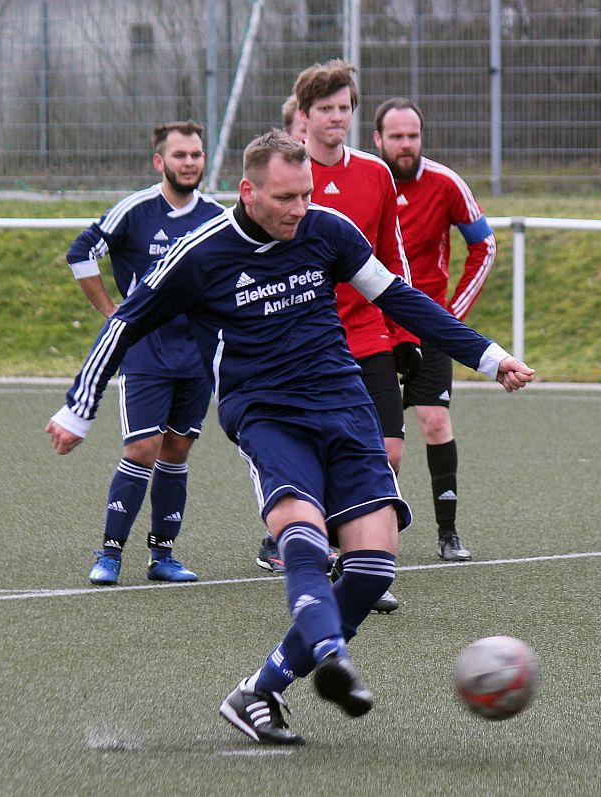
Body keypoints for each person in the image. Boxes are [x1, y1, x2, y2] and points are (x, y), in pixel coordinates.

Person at [46, 131, 534, 745]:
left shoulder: (328, 229)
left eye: (305, 194)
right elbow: (125, 322)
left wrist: (489, 357)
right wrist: (79, 408)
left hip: (345, 405)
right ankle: (330, 654)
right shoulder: (200, 255)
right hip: (266, 413)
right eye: (285, 197)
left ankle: (261, 689)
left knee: (373, 567)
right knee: (300, 533)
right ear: (248, 191)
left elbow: (402, 300)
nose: (299, 208)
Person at [251, 61, 413, 617]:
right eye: (326, 109)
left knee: (389, 449)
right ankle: (302, 538)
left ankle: (360, 563)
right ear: (303, 115)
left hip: (366, 334)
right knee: (311, 451)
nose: (337, 117)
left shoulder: (374, 174)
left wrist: (406, 332)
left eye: (345, 107)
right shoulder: (287, 176)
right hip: (305, 340)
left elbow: (392, 260)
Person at [63, 121, 223, 585]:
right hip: (146, 350)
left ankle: (163, 557)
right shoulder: (135, 211)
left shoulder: (216, 215)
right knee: (142, 447)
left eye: (196, 154)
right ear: (160, 161)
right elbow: (81, 252)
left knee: (176, 450)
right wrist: (113, 313)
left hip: (196, 354)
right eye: (180, 155)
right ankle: (110, 553)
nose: (189, 162)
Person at [372, 97, 497, 562]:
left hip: (427, 325)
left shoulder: (446, 183)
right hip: (373, 328)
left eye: (413, 136)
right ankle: (363, 534)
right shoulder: (368, 181)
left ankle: (448, 532)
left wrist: (451, 316)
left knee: (435, 421)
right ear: (377, 139)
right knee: (379, 443)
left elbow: (483, 245)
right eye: (397, 136)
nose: (406, 145)